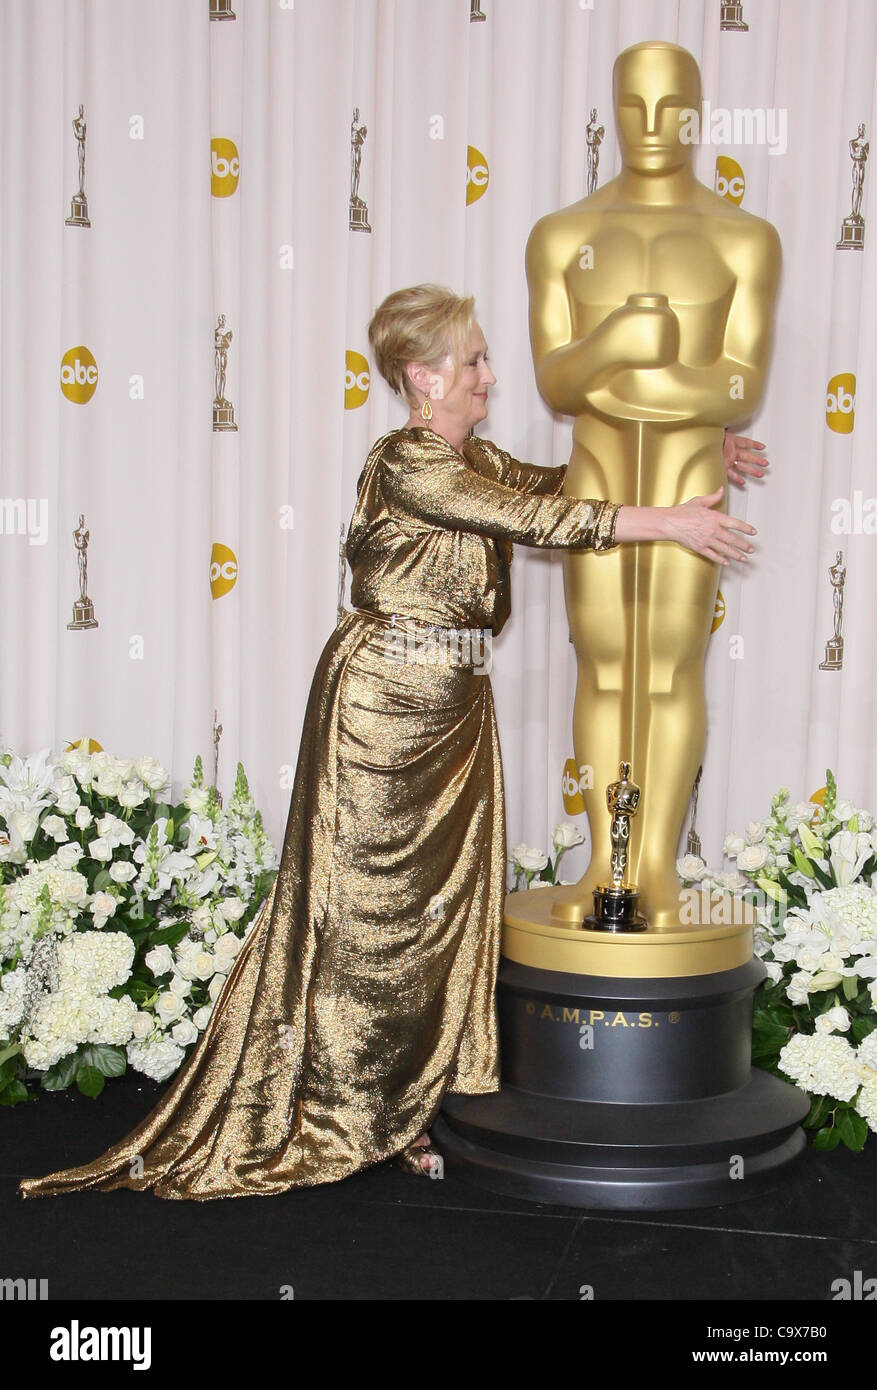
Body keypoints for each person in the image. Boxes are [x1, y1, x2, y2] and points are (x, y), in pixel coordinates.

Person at [19, 285, 759, 1200]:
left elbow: (568, 484)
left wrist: (697, 446)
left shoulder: (474, 456)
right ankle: (335, 1108)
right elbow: (543, 523)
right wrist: (672, 524)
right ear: (424, 376)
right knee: (365, 916)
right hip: (381, 707)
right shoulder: (408, 461)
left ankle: (401, 1104)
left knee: (433, 912)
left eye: (485, 359)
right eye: (476, 361)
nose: (491, 377)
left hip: (452, 702)